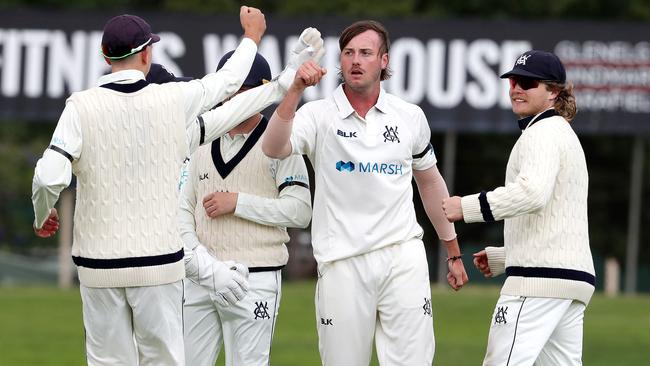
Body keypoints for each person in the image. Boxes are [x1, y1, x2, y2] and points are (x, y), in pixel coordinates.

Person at [31, 9, 324, 365]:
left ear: (105, 57)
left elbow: (48, 176)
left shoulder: (80, 106)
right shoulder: (171, 101)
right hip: (160, 268)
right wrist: (257, 43)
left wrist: (42, 212)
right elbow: (229, 85)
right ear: (147, 53)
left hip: (97, 268)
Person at [262, 20, 468, 366]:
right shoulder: (318, 114)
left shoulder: (409, 117)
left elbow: (430, 183)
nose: (355, 60)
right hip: (342, 263)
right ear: (340, 60)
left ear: (384, 61)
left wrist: (453, 250)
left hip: (402, 257)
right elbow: (273, 147)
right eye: (348, 53)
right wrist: (295, 89)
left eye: (366, 53)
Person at [442, 50, 595, 366]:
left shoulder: (542, 132)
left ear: (553, 91)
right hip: (568, 281)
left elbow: (532, 194)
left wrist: (467, 207)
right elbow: (556, 219)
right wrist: (505, 257)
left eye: (527, 82)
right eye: (513, 81)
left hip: (538, 283)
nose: (516, 88)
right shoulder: (561, 134)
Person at [178, 51, 312, 366]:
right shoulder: (199, 137)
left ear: (260, 92)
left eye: (238, 88)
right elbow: (183, 207)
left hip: (256, 277)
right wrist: (196, 256)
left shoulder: (280, 142)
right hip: (200, 275)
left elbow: (300, 211)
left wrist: (238, 203)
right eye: (227, 88)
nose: (230, 97)